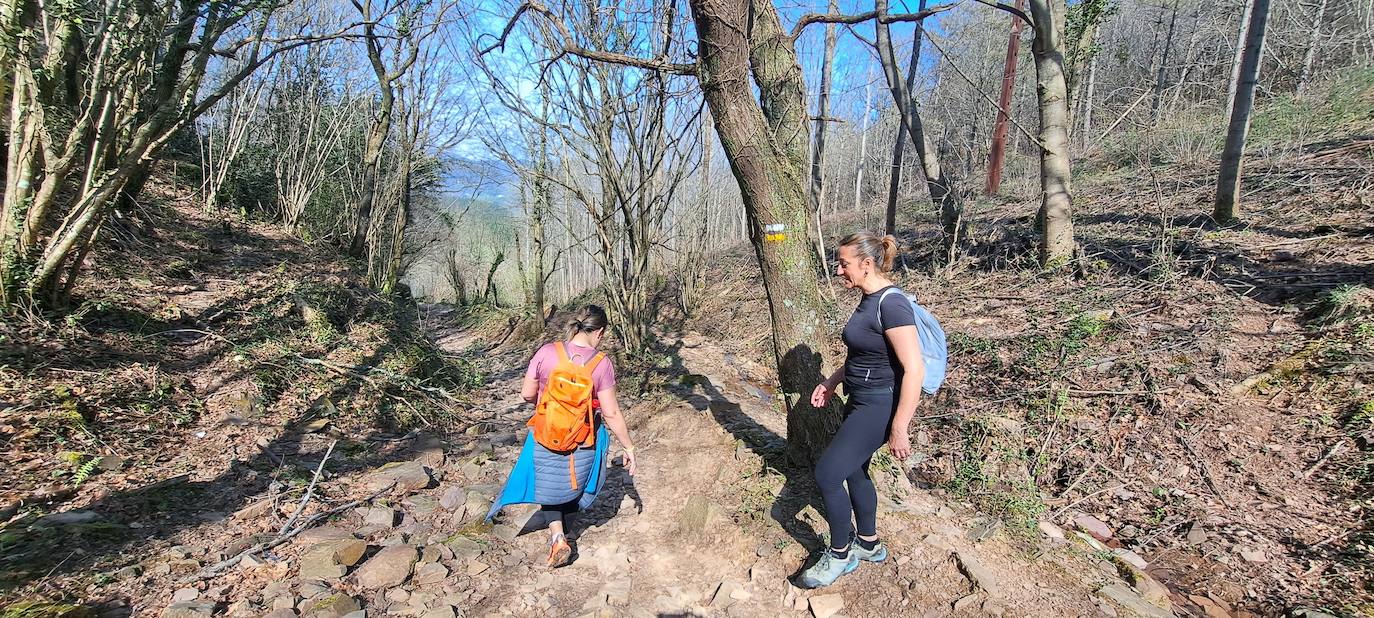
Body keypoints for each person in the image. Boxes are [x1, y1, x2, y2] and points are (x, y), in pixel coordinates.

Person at [798, 232, 925, 588]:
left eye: (844, 264)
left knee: (827, 474)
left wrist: (900, 426)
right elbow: (861, 353)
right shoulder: (867, 299)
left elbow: (914, 369)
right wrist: (832, 381)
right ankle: (868, 543)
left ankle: (840, 554)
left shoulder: (892, 304)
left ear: (867, 264)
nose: (839, 271)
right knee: (853, 473)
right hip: (859, 397)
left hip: (879, 405)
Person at [487, 305, 637, 568]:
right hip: (584, 436)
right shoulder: (601, 364)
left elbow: (526, 394)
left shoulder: (547, 352)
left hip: (547, 430)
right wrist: (629, 447)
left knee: (549, 486)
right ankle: (565, 531)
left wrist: (546, 403)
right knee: (572, 484)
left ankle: (557, 536)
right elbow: (611, 412)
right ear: (599, 332)